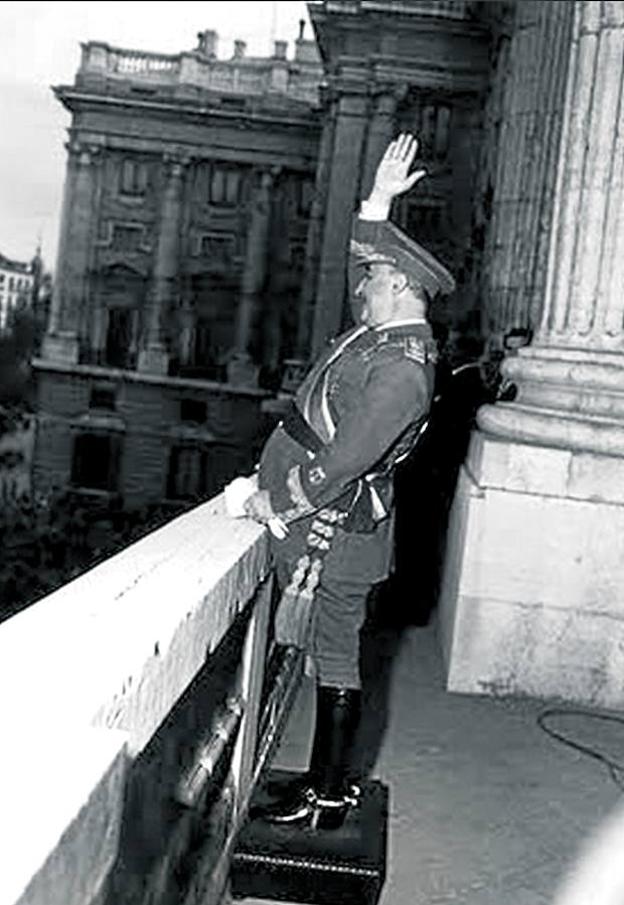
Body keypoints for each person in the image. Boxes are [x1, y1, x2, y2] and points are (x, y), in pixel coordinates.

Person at [238, 133, 456, 830]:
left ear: (398, 287)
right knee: (325, 658)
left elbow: (342, 463)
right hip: (329, 527)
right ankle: (320, 785)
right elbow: (364, 249)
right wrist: (380, 200)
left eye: (372, 278)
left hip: (335, 532)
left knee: (334, 658)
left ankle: (327, 795)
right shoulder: (384, 337)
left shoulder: (402, 368)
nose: (360, 285)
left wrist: (273, 501)